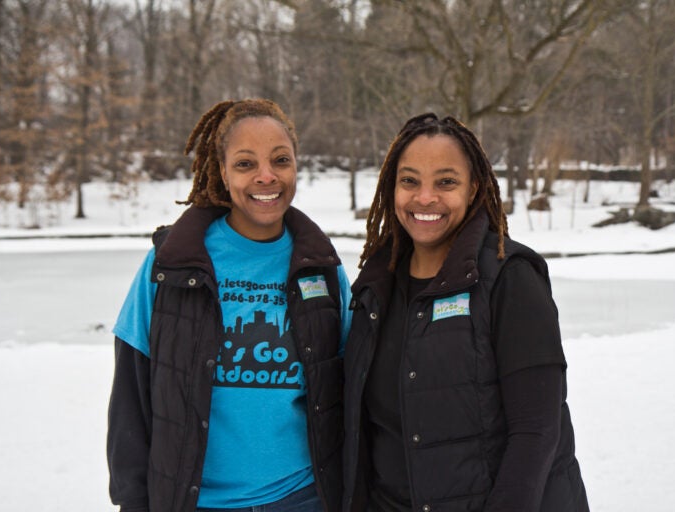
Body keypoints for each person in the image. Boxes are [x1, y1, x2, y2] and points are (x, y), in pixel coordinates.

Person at [107, 99, 352, 512]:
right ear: (222, 172)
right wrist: (133, 501)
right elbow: (130, 399)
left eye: (281, 160)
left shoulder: (321, 268)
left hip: (301, 498)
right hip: (196, 501)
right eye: (244, 164)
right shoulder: (170, 265)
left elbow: (343, 392)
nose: (266, 176)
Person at [342, 113, 589, 512]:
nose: (425, 198)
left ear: (474, 188)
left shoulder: (510, 278)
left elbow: (536, 432)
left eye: (446, 182)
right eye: (409, 181)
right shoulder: (374, 288)